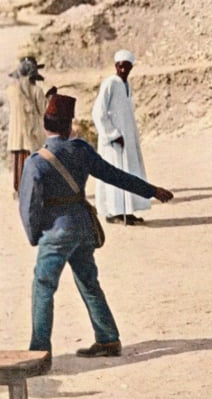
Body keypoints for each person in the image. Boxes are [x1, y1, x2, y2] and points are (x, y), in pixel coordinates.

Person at [19, 94, 174, 357]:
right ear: (69, 126)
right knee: (89, 281)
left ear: (45, 125)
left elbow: (29, 206)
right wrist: (150, 190)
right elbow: (115, 175)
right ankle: (108, 338)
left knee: (43, 287)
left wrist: (35, 236)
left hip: (56, 231)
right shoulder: (81, 150)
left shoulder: (36, 162)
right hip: (83, 225)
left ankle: (39, 349)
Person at [91, 49, 151, 225]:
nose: (123, 70)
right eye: (120, 66)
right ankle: (113, 212)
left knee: (129, 172)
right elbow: (98, 112)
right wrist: (112, 134)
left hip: (128, 139)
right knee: (114, 172)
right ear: (116, 66)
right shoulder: (110, 83)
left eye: (127, 66)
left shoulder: (127, 85)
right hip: (113, 141)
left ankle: (127, 211)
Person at [7, 56, 47, 194]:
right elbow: (43, 110)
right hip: (32, 134)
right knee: (31, 160)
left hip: (15, 135)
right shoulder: (37, 91)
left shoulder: (11, 90)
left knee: (18, 162)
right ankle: (30, 190)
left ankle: (19, 190)